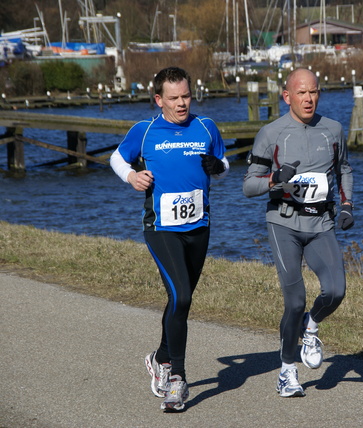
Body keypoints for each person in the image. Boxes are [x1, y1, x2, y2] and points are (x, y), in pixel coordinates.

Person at [110, 66, 229, 411]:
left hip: (199, 226)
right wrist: (132, 176)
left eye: (186, 96)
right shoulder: (144, 131)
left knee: (182, 301)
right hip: (161, 228)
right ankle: (177, 378)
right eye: (174, 98)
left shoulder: (205, 126)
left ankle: (160, 357)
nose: (182, 104)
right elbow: (116, 157)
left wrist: (217, 168)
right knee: (181, 294)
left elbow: (223, 162)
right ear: (159, 99)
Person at [242, 68, 354, 397]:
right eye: (301, 93)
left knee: (335, 291)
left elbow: (344, 168)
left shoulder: (333, 129)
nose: (308, 98)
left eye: (314, 92)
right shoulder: (271, 133)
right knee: (294, 301)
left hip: (321, 223)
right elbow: (248, 185)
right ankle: (287, 371)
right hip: (284, 223)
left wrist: (347, 205)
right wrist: (276, 180)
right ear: (286, 96)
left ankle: (312, 325)